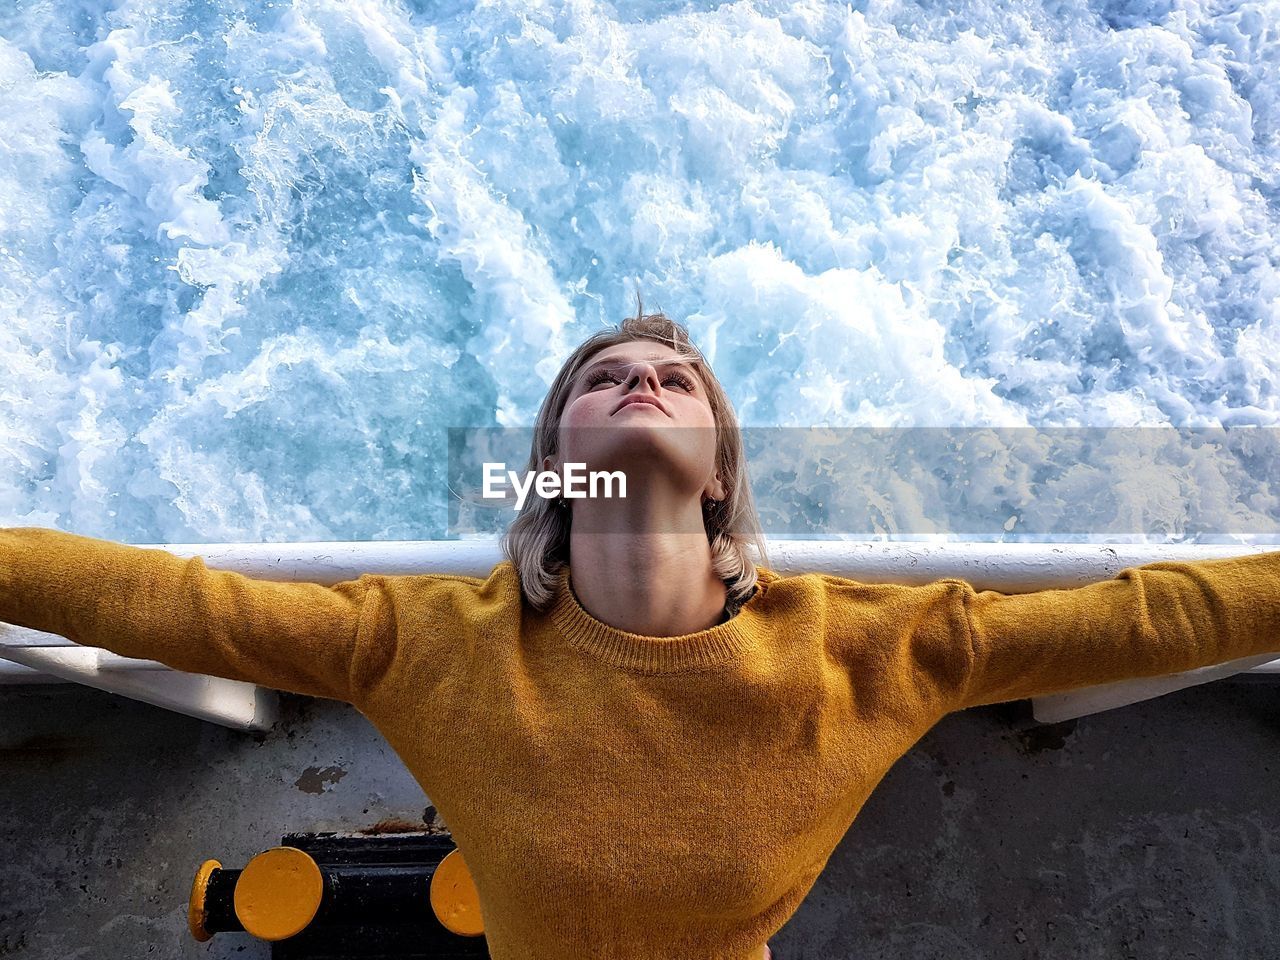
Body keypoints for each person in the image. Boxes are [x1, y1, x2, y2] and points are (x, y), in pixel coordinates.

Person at [5, 296, 1280, 959]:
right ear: (557, 463)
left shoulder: (869, 651)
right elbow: (173, 600)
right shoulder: (430, 641)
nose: (638, 386)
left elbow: (1150, 613)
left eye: (674, 382)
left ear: (716, 471)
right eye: (601, 380)